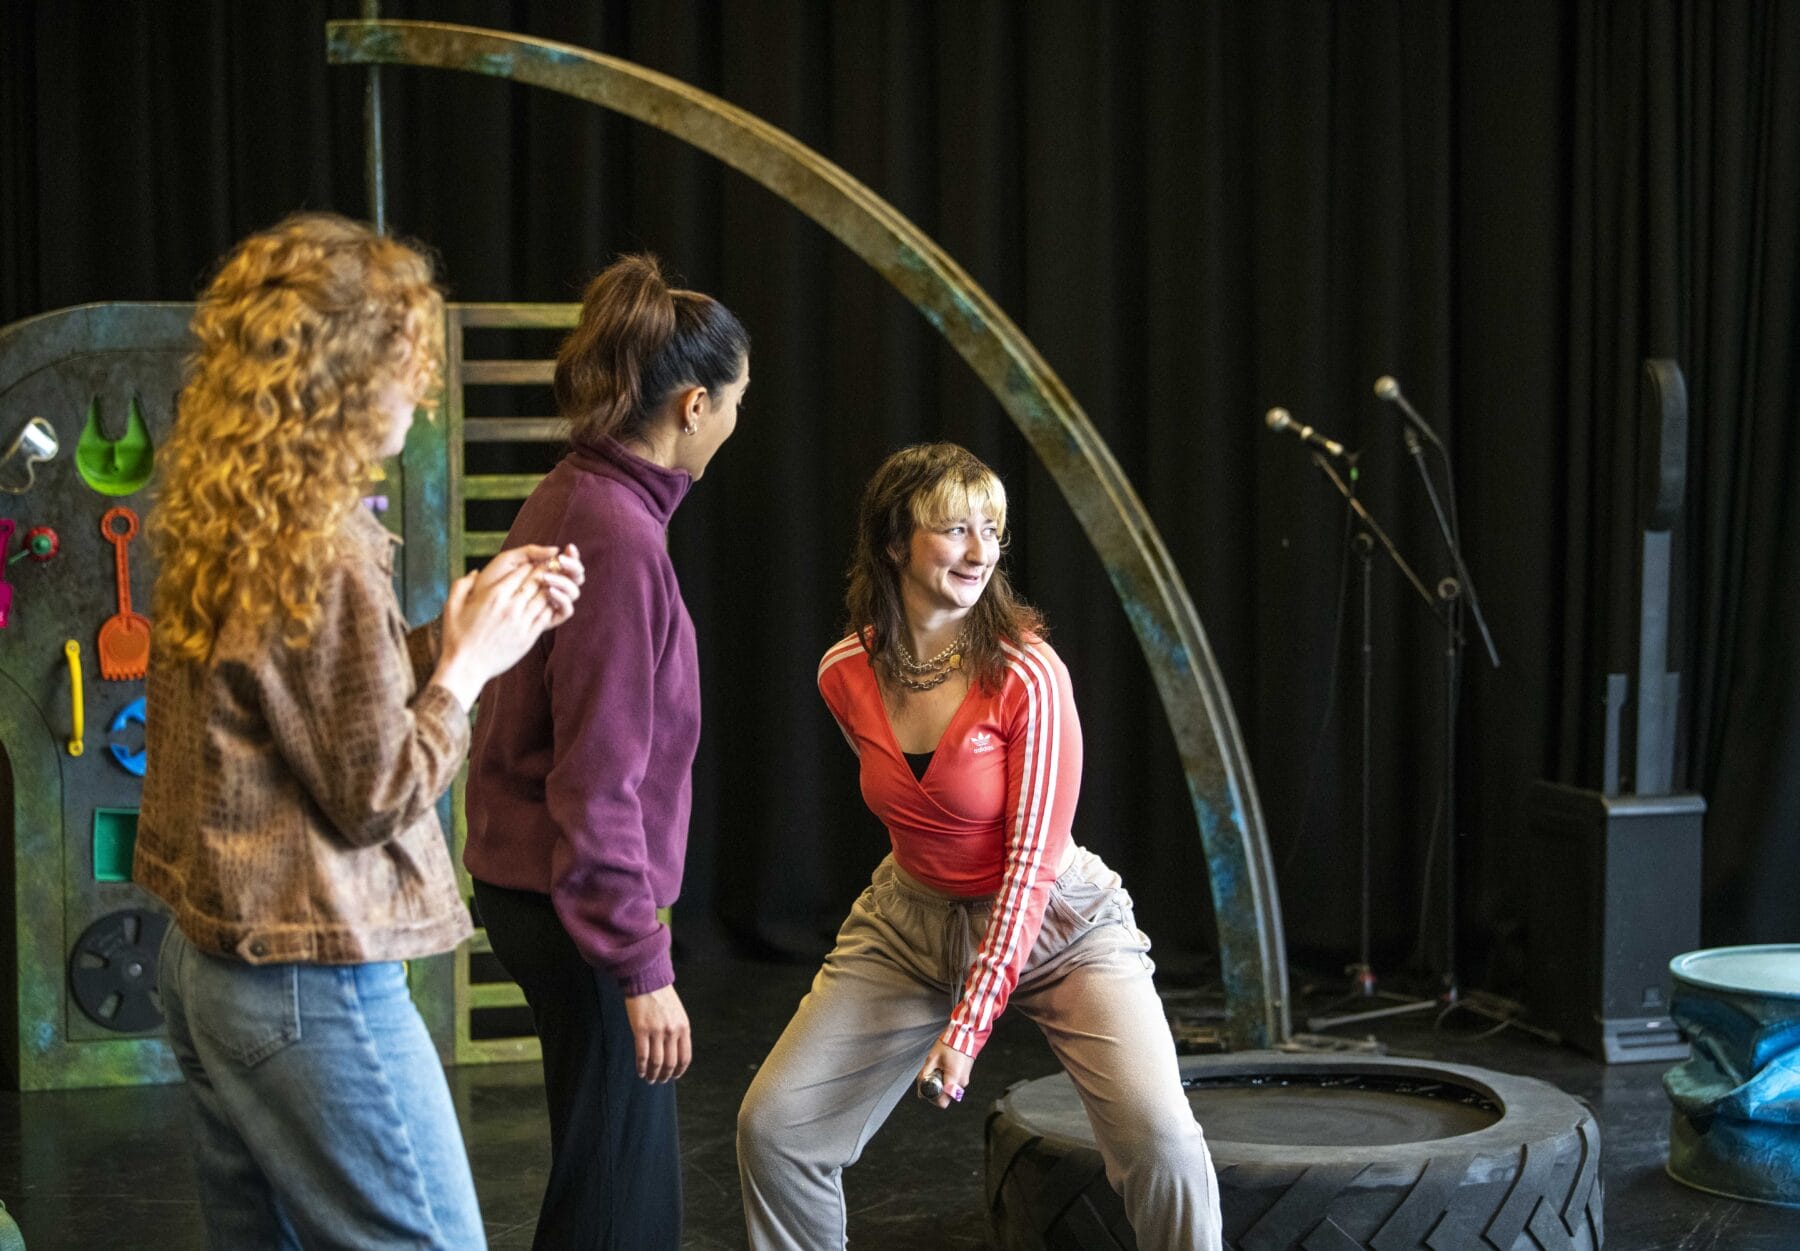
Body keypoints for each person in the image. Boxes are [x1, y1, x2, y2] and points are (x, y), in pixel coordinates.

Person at [135, 212, 584, 1250]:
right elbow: (376, 790)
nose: (417, 391)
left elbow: (307, 711)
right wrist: (468, 670)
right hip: (307, 979)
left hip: (212, 968)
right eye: (401, 363)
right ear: (333, 373)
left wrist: (456, 632)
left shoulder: (240, 507)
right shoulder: (324, 544)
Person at [737, 442, 1223, 1250]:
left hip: (1061, 928)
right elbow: (916, 817)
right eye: (953, 527)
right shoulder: (842, 672)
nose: (979, 549)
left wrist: (963, 1032)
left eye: (990, 529)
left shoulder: (1028, 674)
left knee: (1162, 1144)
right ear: (894, 542)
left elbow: (1029, 868)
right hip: (910, 921)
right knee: (776, 1127)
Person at [463, 253, 750, 1249]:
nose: (734, 426)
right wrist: (642, 964)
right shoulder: (616, 534)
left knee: (613, 1182)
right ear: (695, 405)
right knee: (620, 1210)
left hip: (545, 894)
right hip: (572, 906)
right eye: (734, 405)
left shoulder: (583, 493)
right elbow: (598, 781)